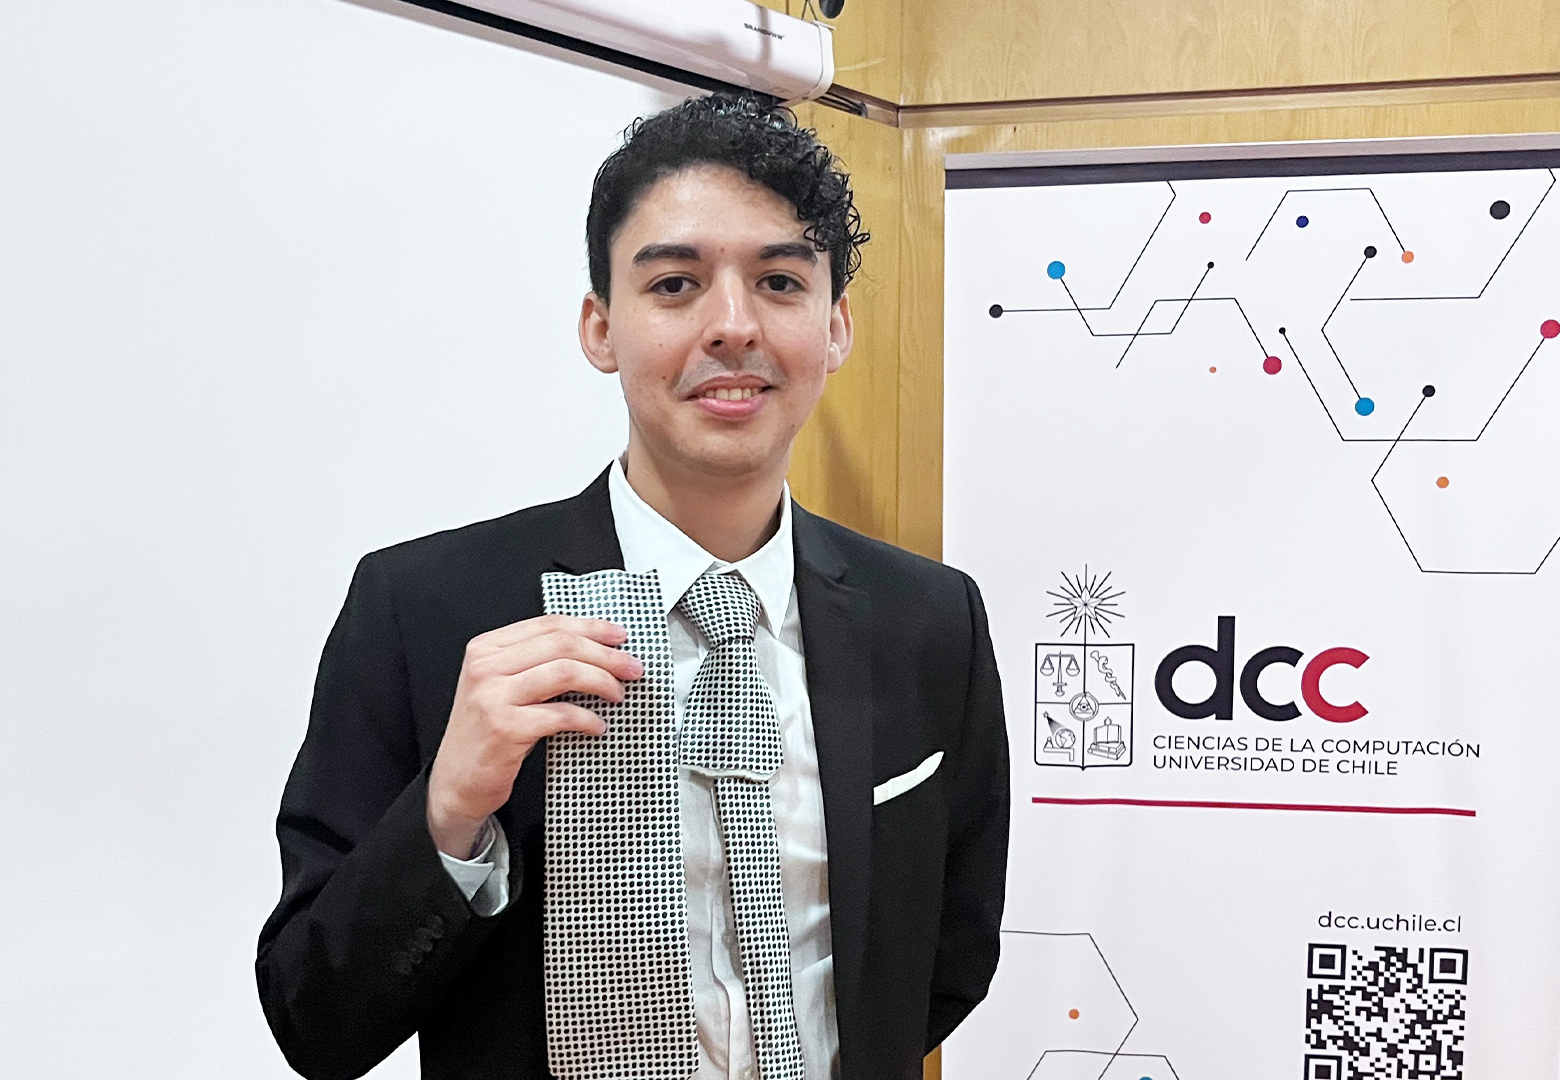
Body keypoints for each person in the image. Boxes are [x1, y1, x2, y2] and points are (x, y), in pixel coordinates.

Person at [256, 93, 1009, 1080]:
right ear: (601, 326)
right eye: (676, 284)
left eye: (779, 282)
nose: (732, 326)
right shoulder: (426, 611)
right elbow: (314, 1021)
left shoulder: (929, 621)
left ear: (834, 329)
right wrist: (449, 813)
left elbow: (945, 960)